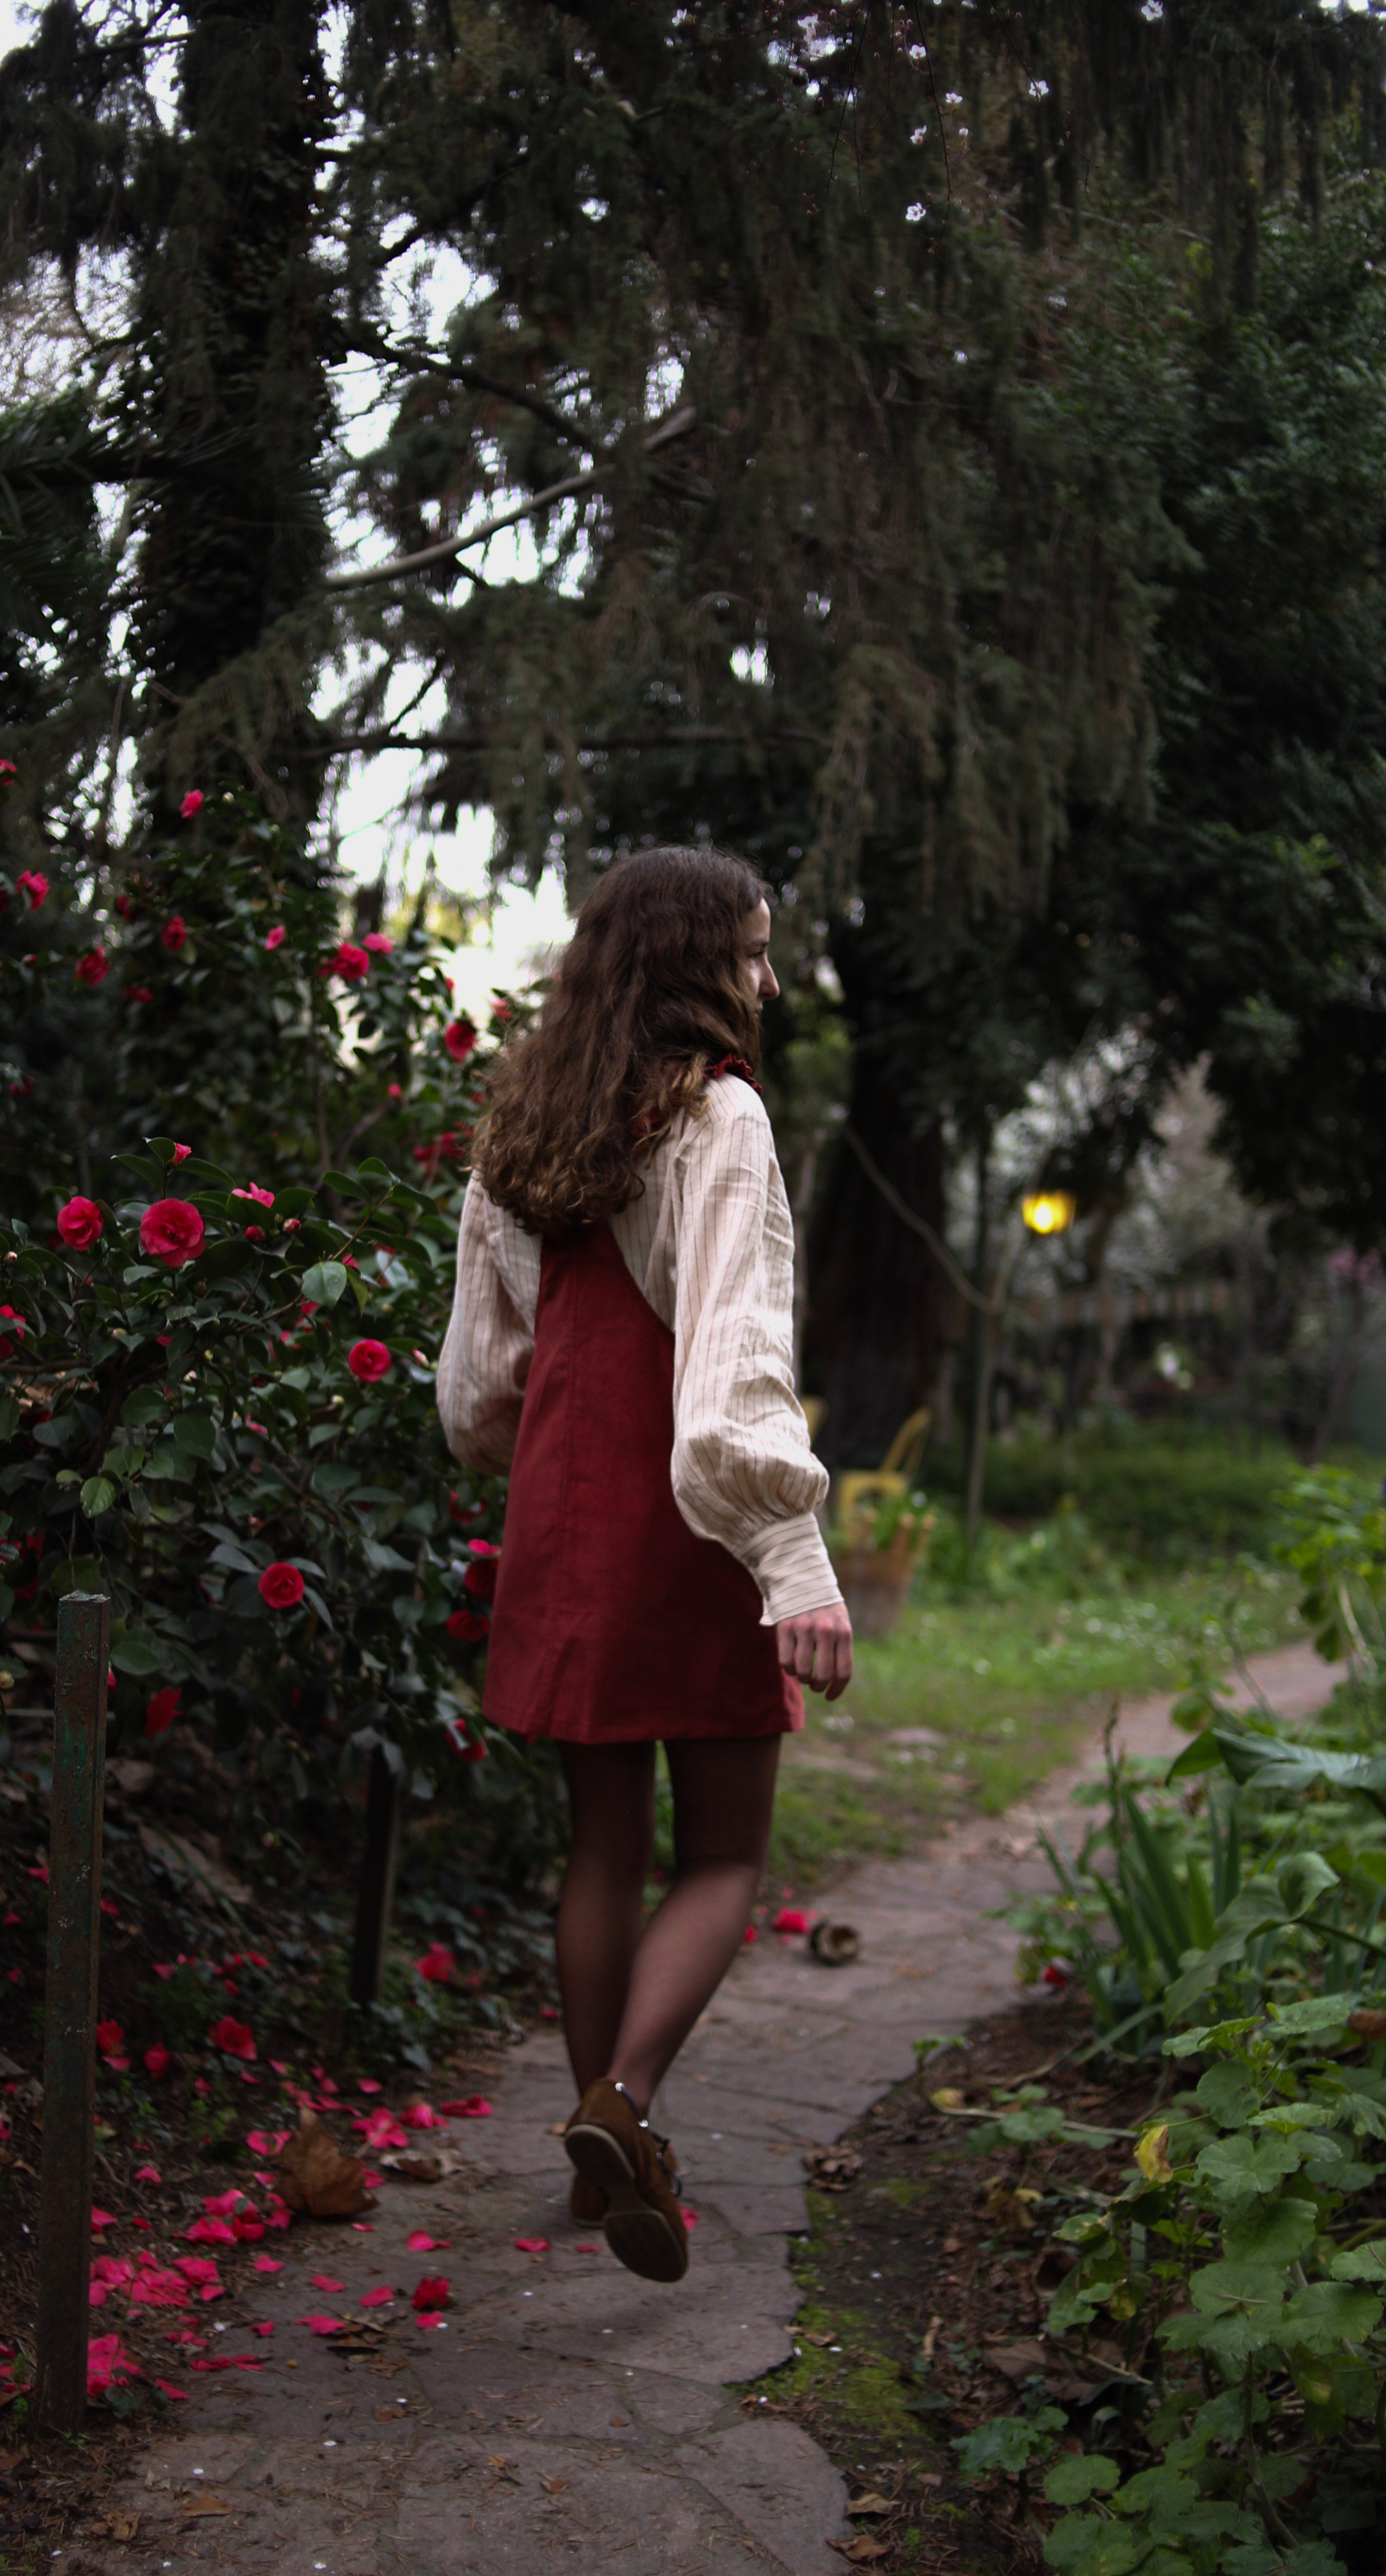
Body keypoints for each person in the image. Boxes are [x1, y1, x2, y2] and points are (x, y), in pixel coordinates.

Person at [437, 845, 853, 2285]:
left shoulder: (525, 1126)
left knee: (600, 1845)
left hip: (563, 1509)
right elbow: (735, 1359)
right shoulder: (717, 1114)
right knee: (728, 1847)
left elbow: (482, 1383)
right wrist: (791, 1560)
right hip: (690, 1516)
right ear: (694, 966)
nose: (770, 979)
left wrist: (540, 1466)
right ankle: (627, 2104)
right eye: (751, 952)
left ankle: (586, 2136)